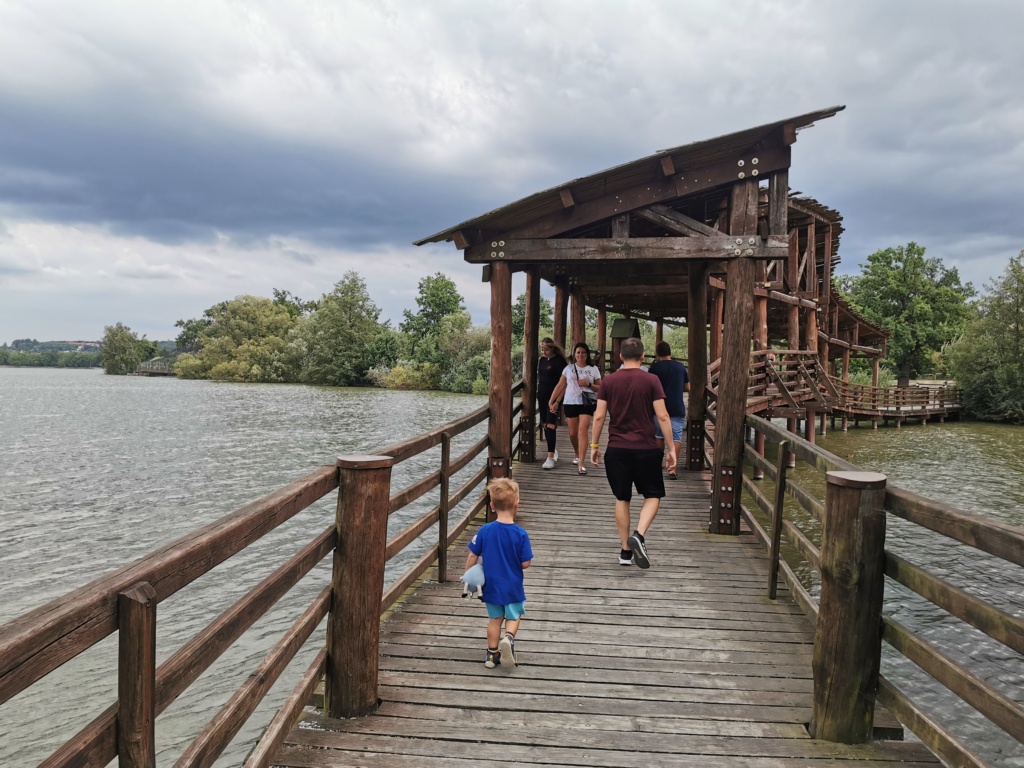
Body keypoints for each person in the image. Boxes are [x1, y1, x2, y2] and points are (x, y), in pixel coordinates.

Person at [590, 337, 676, 569]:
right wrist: (671, 448)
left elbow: (598, 417)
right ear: (643, 356)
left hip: (617, 448)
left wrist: (594, 446)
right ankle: (638, 534)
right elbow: (663, 416)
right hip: (646, 449)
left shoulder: (608, 381)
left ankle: (625, 552)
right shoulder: (651, 380)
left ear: (620, 356)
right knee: (653, 495)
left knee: (622, 498)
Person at [465, 478, 534, 668]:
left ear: (492, 506)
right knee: (513, 616)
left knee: (495, 619)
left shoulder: (485, 530)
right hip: (512, 586)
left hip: (492, 586)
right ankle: (509, 639)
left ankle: (491, 655)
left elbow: (472, 555)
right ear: (517, 504)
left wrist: (468, 576)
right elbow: (525, 563)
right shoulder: (520, 534)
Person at [547, 342, 602, 475]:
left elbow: (600, 388)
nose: (580, 355)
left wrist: (588, 384)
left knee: (583, 430)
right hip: (570, 402)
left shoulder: (593, 369)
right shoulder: (568, 369)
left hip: (587, 402)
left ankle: (582, 463)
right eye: (578, 352)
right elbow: (560, 385)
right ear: (574, 354)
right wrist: (552, 400)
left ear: (587, 354)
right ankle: (577, 453)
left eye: (583, 352)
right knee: (573, 433)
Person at [647, 341, 690, 480]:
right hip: (677, 406)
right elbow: (688, 387)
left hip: (659, 407)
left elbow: (649, 388)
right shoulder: (680, 367)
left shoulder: (654, 368)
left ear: (657, 353)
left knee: (659, 436)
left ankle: (657, 464)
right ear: (670, 352)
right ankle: (672, 468)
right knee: (676, 437)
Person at [537, 338, 568, 470]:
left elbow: (564, 383)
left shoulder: (560, 362)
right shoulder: (542, 360)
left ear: (553, 348)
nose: (544, 352)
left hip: (554, 396)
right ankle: (552, 449)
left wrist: (557, 401)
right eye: (542, 349)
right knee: (545, 424)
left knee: (550, 424)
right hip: (542, 395)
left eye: (547, 349)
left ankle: (550, 458)